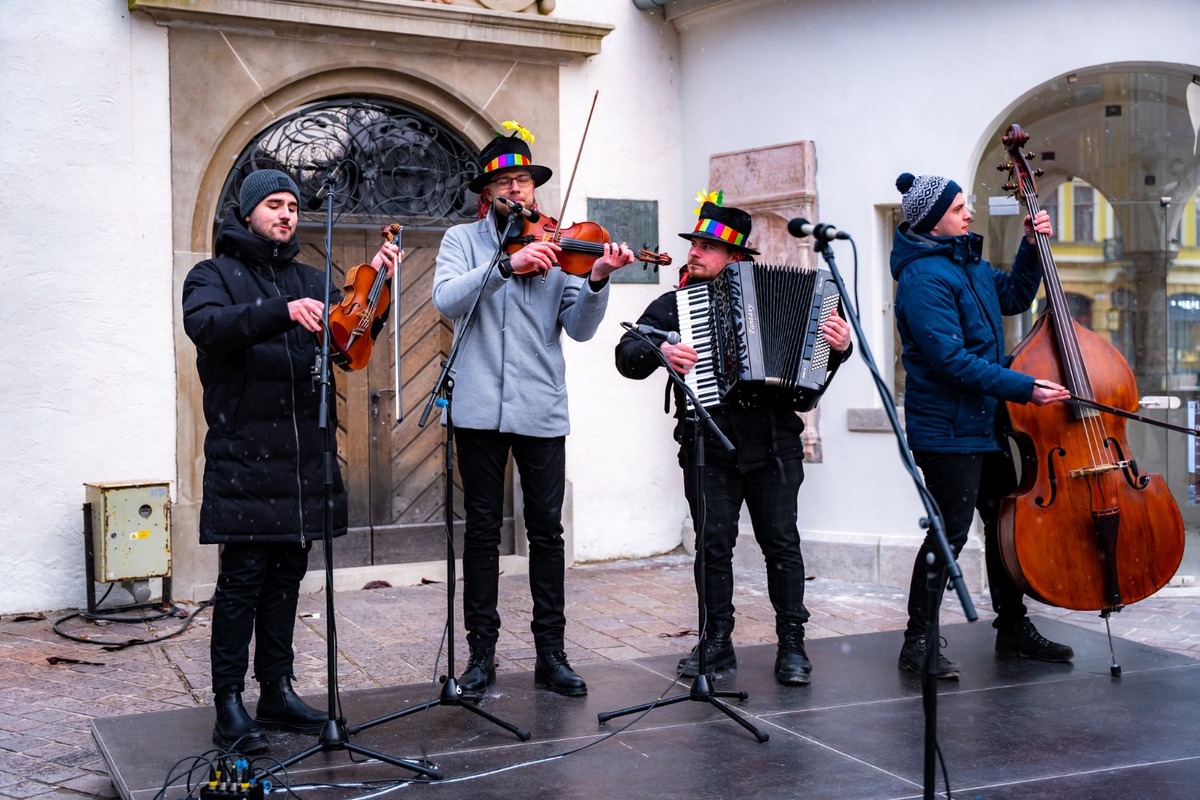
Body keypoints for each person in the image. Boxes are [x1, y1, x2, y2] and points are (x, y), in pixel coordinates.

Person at [182, 168, 400, 751]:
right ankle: (229, 701)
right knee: (242, 582)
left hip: (304, 457)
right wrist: (281, 311)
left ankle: (275, 690)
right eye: (274, 204)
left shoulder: (311, 277)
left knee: (286, 579)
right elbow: (205, 326)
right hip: (245, 455)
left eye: (293, 206)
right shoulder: (212, 275)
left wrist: (374, 290)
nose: (286, 214)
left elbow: (349, 341)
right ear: (248, 212)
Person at [431, 124, 635, 698]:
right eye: (506, 182)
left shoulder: (561, 244)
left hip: (542, 409)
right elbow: (445, 299)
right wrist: (505, 268)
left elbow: (580, 328)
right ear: (487, 193)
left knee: (547, 532)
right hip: (475, 412)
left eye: (524, 181)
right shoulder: (461, 241)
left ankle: (553, 653)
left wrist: (596, 281)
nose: (517, 191)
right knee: (481, 533)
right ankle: (480, 654)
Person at [614, 200, 852, 686]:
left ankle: (792, 645)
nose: (695, 254)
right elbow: (627, 355)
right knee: (713, 545)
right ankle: (717, 642)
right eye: (695, 245)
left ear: (737, 258)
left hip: (773, 442)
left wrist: (840, 348)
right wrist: (661, 349)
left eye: (708, 247)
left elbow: (813, 366)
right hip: (709, 443)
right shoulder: (675, 304)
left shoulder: (787, 292)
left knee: (781, 545)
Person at [890, 171, 1075, 680]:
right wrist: (1024, 387)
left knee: (1005, 521)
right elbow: (950, 360)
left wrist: (1031, 245)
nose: (967, 213)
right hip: (947, 430)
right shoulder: (924, 278)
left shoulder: (966, 264)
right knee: (949, 535)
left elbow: (1015, 296)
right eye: (957, 209)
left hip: (986, 422)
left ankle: (1012, 626)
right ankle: (917, 640)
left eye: (966, 205)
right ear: (932, 220)